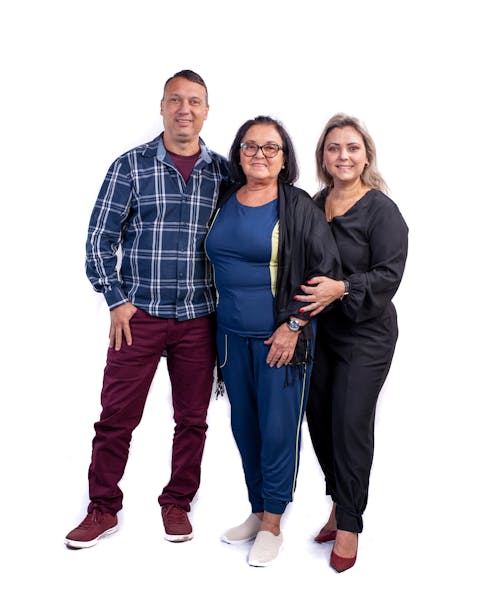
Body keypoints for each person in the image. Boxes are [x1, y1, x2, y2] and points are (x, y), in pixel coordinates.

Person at [64, 70, 229, 549]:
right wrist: (116, 299)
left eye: (194, 101)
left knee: (193, 419)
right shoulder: (130, 166)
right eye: (175, 100)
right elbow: (99, 239)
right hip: (139, 318)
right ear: (161, 107)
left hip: (199, 317)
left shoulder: (221, 172)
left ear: (206, 110)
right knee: (116, 418)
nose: (184, 109)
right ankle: (102, 509)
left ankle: (177, 503)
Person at [205, 115, 342, 566]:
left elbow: (324, 276)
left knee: (278, 431)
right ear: (237, 153)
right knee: (245, 429)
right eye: (249, 146)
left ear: (285, 158)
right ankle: (256, 508)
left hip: (281, 340)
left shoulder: (298, 207)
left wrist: (294, 326)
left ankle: (273, 523)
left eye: (270, 147)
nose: (258, 155)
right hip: (229, 338)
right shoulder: (223, 200)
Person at [296, 113, 408, 572]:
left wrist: (341, 288)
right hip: (323, 333)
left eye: (352, 148)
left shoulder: (381, 209)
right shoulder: (316, 202)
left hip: (367, 333)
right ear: (323, 157)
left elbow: (390, 274)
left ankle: (350, 525)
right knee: (319, 418)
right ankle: (338, 503)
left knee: (349, 423)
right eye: (333, 148)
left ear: (366, 156)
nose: (343, 156)